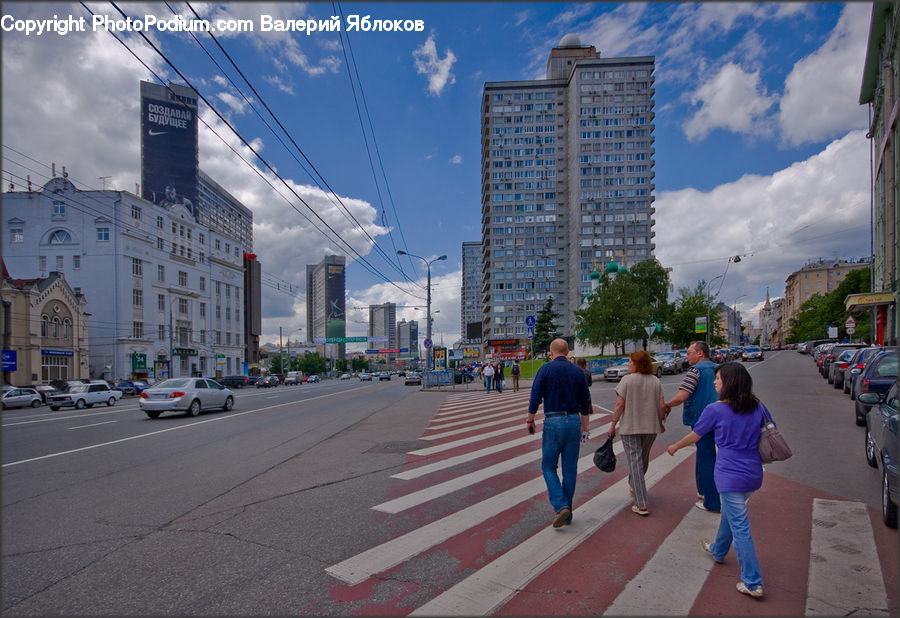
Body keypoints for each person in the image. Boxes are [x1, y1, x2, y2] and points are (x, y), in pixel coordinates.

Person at [666, 362, 767, 599]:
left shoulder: (716, 409)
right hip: (753, 471)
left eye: (718, 378)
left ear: (729, 382)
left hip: (729, 473)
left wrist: (674, 446)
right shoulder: (757, 407)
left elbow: (695, 435)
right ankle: (718, 550)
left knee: (740, 525)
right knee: (733, 514)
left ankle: (752, 582)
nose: (714, 382)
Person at [527, 338, 592, 528]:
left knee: (548, 466)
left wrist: (530, 419)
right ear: (568, 351)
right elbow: (586, 402)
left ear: (551, 352)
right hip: (574, 421)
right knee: (570, 468)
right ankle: (568, 513)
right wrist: (585, 427)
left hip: (553, 421)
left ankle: (561, 504)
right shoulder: (577, 372)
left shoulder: (546, 369)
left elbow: (535, 397)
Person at [608, 350, 666, 516]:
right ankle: (634, 484)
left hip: (630, 427)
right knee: (642, 459)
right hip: (651, 427)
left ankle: (641, 503)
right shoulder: (655, 381)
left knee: (635, 462)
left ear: (638, 364)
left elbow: (620, 405)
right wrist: (660, 422)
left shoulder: (627, 380)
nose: (628, 364)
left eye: (630, 362)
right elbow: (662, 406)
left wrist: (613, 424)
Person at [664, 341, 721, 512]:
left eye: (689, 353)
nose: (686, 356)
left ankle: (712, 502)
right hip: (721, 418)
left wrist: (666, 405)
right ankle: (703, 491)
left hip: (701, 419)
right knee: (709, 456)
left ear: (700, 353)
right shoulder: (719, 368)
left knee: (706, 458)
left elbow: (682, 396)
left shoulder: (695, 371)